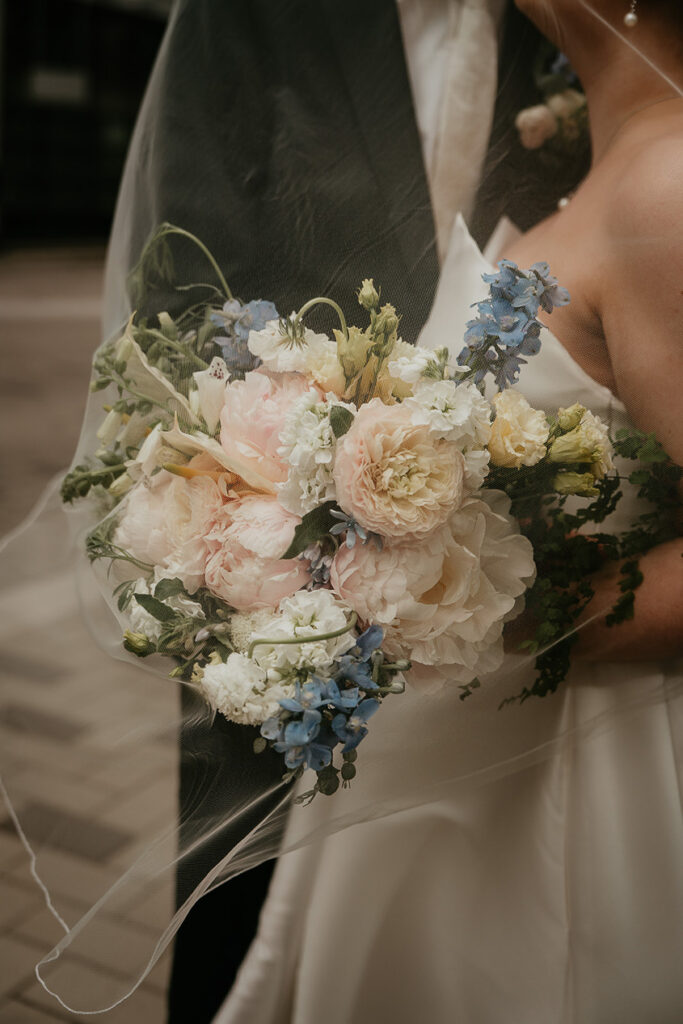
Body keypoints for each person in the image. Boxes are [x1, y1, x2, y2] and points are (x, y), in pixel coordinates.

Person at [208, 1, 683, 1021]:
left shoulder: (663, 181)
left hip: (556, 784)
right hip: (447, 780)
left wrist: (506, 615)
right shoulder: (610, 172)